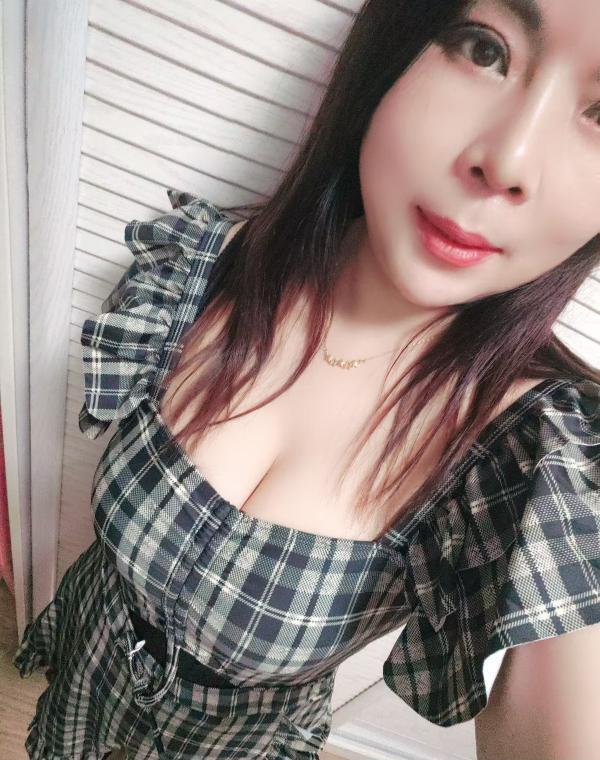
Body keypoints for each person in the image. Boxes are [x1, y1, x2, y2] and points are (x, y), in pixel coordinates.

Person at [12, 0, 600, 758]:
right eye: (484, 50)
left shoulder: (534, 467)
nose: (509, 161)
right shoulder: (197, 268)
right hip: (89, 671)